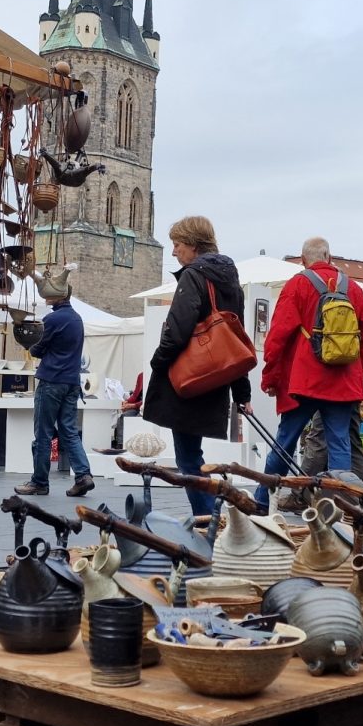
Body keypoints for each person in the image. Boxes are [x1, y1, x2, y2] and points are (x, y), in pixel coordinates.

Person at [142, 216, 253, 516]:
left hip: (190, 378)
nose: (174, 251)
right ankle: (210, 518)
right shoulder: (230, 281)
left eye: (177, 244)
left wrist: (158, 362)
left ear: (193, 245)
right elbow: (237, 339)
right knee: (193, 455)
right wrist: (242, 393)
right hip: (216, 378)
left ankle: (207, 521)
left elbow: (177, 331)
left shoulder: (193, 276)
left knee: (189, 459)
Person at [256, 237, 363, 513]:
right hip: (342, 382)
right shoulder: (353, 288)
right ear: (330, 257)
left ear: (302, 260)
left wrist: (271, 377)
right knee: (340, 445)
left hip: (305, 381)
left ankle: (262, 500)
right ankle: (339, 508)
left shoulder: (297, 285)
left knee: (284, 442)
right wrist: (355, 371)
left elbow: (278, 337)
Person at [15, 267, 94, 497]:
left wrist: (30, 346)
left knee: (44, 433)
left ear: (56, 296)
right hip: (72, 382)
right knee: (69, 431)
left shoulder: (52, 319)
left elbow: (38, 348)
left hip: (52, 381)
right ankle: (83, 475)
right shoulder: (77, 319)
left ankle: (39, 482)